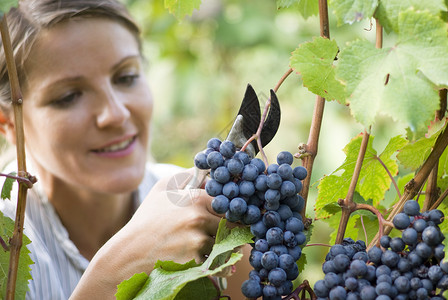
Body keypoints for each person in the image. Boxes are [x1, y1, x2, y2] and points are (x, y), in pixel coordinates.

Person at [0, 0, 250, 299]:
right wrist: (117, 268)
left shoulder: (202, 208)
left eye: (126, 77)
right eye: (68, 96)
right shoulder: (7, 244)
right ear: (8, 125)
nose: (116, 114)